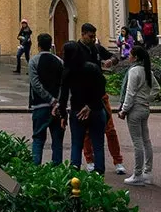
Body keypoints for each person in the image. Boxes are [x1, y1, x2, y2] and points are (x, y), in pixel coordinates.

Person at [60, 23, 113, 174]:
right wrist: (90, 105)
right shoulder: (92, 68)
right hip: (95, 109)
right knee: (98, 145)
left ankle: (73, 177)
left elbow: (64, 95)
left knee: (77, 145)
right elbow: (101, 87)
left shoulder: (67, 72)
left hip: (78, 111)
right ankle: (98, 178)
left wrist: (63, 114)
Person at [118, 43, 159, 186]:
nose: (129, 57)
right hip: (144, 108)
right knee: (146, 140)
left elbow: (130, 93)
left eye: (130, 55)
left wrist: (123, 110)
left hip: (135, 109)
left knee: (137, 142)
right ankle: (147, 172)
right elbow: (156, 89)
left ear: (135, 58)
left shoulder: (133, 72)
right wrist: (146, 99)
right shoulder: (148, 71)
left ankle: (137, 174)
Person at [29, 33, 65, 165]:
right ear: (51, 45)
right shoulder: (60, 62)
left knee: (38, 139)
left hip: (40, 106)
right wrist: (57, 101)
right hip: (57, 108)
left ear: (38, 45)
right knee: (57, 141)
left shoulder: (34, 61)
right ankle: (57, 172)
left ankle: (35, 171)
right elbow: (63, 84)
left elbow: (35, 84)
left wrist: (50, 100)